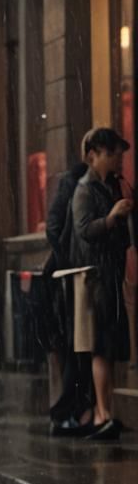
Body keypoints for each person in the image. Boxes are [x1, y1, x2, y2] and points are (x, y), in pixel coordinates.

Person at [70, 127, 132, 441]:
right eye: (111, 153)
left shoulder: (112, 185)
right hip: (97, 278)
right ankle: (102, 412)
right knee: (101, 346)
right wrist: (112, 217)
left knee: (110, 347)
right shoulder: (85, 189)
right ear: (94, 154)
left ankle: (105, 411)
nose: (117, 159)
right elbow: (85, 230)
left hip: (111, 274)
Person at [44, 137, 93, 435]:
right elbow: (54, 226)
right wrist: (67, 261)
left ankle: (78, 411)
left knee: (81, 347)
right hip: (70, 276)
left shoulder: (103, 182)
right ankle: (68, 413)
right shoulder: (76, 182)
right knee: (76, 347)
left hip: (80, 274)